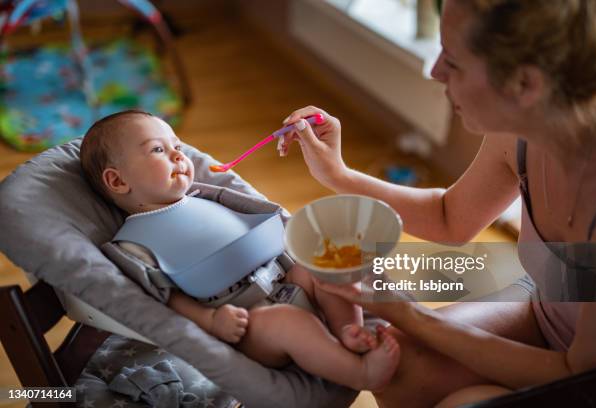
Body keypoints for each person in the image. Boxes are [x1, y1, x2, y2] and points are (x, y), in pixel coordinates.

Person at [278, 0, 596, 406]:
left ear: (525, 84)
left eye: (453, 62)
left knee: (466, 400)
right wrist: (338, 174)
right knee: (397, 364)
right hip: (548, 308)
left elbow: (584, 374)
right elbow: (450, 217)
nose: (435, 71)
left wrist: (408, 313)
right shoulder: (524, 132)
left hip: (593, 379)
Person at [78, 109, 400, 392]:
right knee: (289, 323)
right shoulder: (132, 242)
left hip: (283, 279)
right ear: (118, 181)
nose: (178, 156)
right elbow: (163, 299)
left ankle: (348, 332)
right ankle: (360, 372)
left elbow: (260, 213)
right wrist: (211, 319)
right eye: (159, 150)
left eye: (178, 146)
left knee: (324, 267)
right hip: (249, 321)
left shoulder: (205, 196)